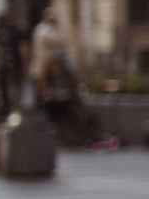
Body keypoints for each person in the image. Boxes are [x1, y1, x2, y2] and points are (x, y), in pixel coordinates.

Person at [30, 9, 119, 151]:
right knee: (50, 108)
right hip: (50, 94)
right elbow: (60, 41)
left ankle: (75, 136)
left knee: (66, 110)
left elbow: (70, 91)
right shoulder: (45, 32)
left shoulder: (63, 72)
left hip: (62, 98)